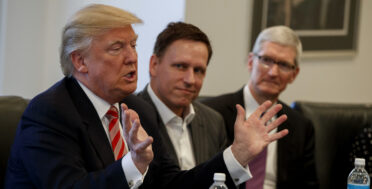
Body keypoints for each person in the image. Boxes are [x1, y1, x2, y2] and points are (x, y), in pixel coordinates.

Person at [5, 4, 289, 189]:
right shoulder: (49, 112)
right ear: (80, 61)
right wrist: (135, 163)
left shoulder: (135, 107)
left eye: (133, 45)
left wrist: (237, 154)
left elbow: (172, 184)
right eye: (117, 48)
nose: (132, 57)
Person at [201, 25, 318, 188]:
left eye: (283, 64)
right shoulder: (212, 113)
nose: (273, 72)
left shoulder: (301, 127)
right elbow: (201, 177)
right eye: (266, 60)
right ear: (250, 61)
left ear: (294, 74)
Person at [135, 22, 228, 170]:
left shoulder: (214, 122)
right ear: (154, 65)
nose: (190, 80)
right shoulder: (128, 117)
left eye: (198, 70)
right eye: (180, 66)